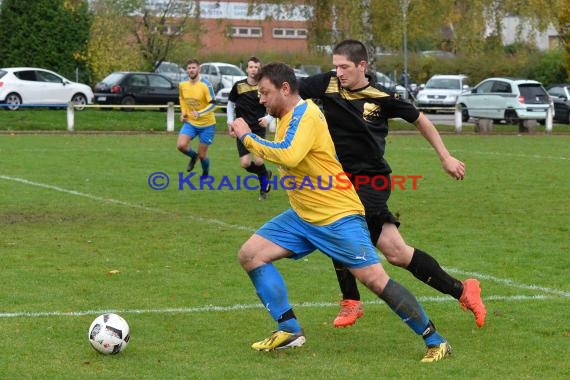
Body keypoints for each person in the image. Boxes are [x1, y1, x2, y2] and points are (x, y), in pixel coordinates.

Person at [231, 62, 452, 363]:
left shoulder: (306, 114)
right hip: (303, 216)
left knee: (375, 280)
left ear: (284, 89)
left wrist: (246, 136)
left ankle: (436, 341)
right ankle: (289, 329)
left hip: (337, 216)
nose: (261, 99)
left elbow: (290, 155)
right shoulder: (284, 117)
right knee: (250, 255)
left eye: (265, 93)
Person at [298, 39, 486, 329]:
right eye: (335, 66)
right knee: (397, 253)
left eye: (345, 66)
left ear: (363, 66)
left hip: (371, 180)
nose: (339, 72)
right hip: (340, 181)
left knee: (339, 225)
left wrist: (446, 157)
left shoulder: (382, 96)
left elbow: (420, 119)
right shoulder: (328, 84)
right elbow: (289, 94)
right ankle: (463, 290)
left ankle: (350, 301)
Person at [227, 56, 274, 200]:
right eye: (251, 67)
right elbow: (230, 104)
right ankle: (264, 174)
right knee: (245, 164)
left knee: (259, 161)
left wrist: (268, 118)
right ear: (247, 69)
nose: (253, 69)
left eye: (256, 67)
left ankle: (263, 189)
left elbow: (274, 104)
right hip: (242, 128)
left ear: (260, 69)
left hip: (258, 128)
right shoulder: (238, 86)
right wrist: (230, 123)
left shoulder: (264, 86)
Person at [176, 59, 216, 177]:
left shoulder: (206, 84)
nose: (191, 70)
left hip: (207, 125)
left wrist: (200, 113)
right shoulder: (182, 84)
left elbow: (213, 104)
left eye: (193, 68)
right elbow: (182, 99)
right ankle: (194, 157)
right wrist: (183, 113)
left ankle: (205, 173)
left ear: (199, 69)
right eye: (189, 68)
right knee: (181, 146)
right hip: (191, 123)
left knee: (202, 155)